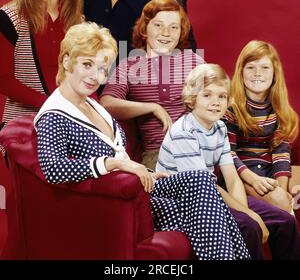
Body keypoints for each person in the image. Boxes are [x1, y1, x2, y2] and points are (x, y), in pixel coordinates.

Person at [35, 21, 250, 260]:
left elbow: (121, 153)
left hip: (142, 186)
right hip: (117, 201)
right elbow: (53, 169)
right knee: (208, 207)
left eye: (102, 69)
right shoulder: (54, 115)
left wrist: (148, 172)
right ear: (66, 61)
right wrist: (114, 164)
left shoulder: (92, 105)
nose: (95, 76)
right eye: (87, 64)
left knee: (201, 183)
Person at [157, 63, 300, 260]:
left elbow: (232, 178)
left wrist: (248, 211)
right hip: (190, 201)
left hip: (211, 195)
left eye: (222, 96)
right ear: (192, 99)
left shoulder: (220, 128)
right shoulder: (184, 132)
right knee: (249, 227)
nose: (215, 102)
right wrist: (249, 217)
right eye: (207, 95)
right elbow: (205, 186)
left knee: (284, 221)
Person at [100, 0, 203, 170]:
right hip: (158, 153)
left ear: (181, 32)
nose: (166, 33)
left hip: (198, 148)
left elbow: (219, 101)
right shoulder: (129, 65)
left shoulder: (194, 62)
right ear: (144, 29)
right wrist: (152, 107)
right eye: (158, 25)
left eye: (174, 27)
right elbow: (107, 103)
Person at [0, 0, 82, 129]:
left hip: (69, 124)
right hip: (22, 126)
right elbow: (3, 79)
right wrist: (51, 104)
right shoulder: (10, 16)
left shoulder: (78, 22)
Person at [223, 40, 300, 214]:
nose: (258, 73)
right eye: (251, 67)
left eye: (265, 67)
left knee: (288, 197)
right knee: (282, 203)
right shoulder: (229, 108)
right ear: (241, 72)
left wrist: (282, 188)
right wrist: (255, 180)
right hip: (242, 174)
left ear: (275, 73)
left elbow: (281, 152)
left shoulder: (279, 109)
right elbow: (227, 153)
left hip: (271, 172)